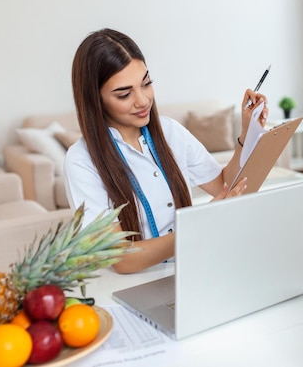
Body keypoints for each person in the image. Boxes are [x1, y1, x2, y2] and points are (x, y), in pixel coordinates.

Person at [65, 29, 268, 274]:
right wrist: (198, 225)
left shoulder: (170, 132)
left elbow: (225, 184)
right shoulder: (81, 161)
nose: (142, 100)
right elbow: (122, 259)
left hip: (189, 272)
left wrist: (248, 132)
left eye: (146, 83)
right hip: (131, 289)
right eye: (124, 94)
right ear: (95, 100)